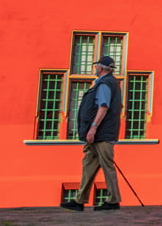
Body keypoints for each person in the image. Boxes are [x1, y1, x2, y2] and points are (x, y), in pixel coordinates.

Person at [60, 55, 123, 211]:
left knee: (107, 165)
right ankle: (79, 199)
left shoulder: (105, 84)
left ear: (101, 68)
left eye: (96, 66)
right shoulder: (106, 83)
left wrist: (93, 127)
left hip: (101, 134)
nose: (95, 68)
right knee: (89, 164)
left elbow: (103, 107)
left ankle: (113, 200)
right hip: (97, 134)